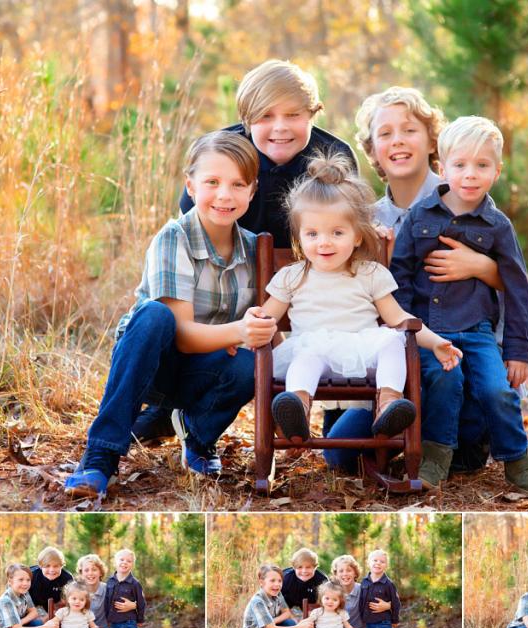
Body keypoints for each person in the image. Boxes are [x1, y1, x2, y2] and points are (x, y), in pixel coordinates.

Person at [134, 59, 358, 445]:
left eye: (293, 115)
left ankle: (337, 409)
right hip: (234, 280)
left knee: (344, 302)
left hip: (310, 276)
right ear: (246, 118)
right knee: (197, 309)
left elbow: (350, 221)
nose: (280, 127)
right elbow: (193, 233)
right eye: (266, 116)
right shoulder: (226, 152)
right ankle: (175, 403)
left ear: (313, 114)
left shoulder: (334, 153)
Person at [63, 131, 276, 496]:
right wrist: (238, 332)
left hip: (202, 374)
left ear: (252, 190)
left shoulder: (257, 250)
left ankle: (197, 436)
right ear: (190, 186)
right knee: (154, 316)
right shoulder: (173, 238)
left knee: (248, 364)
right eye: (212, 182)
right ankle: (101, 457)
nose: (225, 194)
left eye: (238, 184)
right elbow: (180, 333)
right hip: (150, 366)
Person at [324, 86, 505, 474]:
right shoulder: (364, 221)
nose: (398, 141)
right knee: (340, 457)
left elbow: (514, 281)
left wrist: (479, 266)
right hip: (396, 366)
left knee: (465, 455)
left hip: (458, 361)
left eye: (409, 130)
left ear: (432, 142)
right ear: (372, 151)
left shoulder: (465, 196)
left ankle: (450, 436)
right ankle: (399, 427)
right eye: (385, 134)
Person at [390, 115, 528, 494]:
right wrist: (408, 334)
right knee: (446, 380)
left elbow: (517, 288)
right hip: (430, 330)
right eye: (460, 164)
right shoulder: (419, 217)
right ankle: (435, 456)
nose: (470, 174)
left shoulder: (497, 225)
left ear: (497, 171)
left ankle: (516, 459)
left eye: (482, 165)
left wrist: (518, 352)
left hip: (478, 332)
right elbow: (399, 279)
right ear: (441, 167)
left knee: (498, 390)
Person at [259, 152, 461, 443]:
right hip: (315, 347)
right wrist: (239, 335)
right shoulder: (292, 276)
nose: (324, 242)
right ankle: (297, 411)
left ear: (356, 236)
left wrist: (436, 342)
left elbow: (399, 318)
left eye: (337, 232)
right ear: (299, 237)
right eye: (312, 234)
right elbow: (265, 318)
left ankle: (389, 404)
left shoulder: (370, 272)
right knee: (305, 357)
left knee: (394, 341)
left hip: (363, 350)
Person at [76, 553, 137, 628]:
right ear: (81, 573)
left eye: (94, 569)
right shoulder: (77, 590)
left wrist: (133, 605)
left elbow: (137, 598)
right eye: (86, 570)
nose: (90, 573)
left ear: (100, 572)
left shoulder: (108, 588)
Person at [331, 554, 391, 628]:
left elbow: (392, 599)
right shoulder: (333, 592)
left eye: (349, 570)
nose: (345, 574)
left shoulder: (363, 589)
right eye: (341, 571)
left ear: (355, 573)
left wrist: (388, 605)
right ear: (336, 574)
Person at [358, 549, 400, 628]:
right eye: (375, 560)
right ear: (368, 562)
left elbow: (396, 602)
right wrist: (361, 619)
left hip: (384, 623)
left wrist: (394, 620)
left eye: (382, 561)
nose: (378, 563)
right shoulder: (364, 582)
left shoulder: (388, 584)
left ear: (386, 565)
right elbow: (361, 602)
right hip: (369, 623)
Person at [105, 549, 146, 628]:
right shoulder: (110, 581)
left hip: (130, 622)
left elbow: (141, 603)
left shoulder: (135, 584)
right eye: (121, 559)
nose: (124, 563)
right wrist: (106, 619)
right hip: (114, 623)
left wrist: (140, 619)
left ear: (132, 564)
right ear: (115, 562)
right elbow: (106, 601)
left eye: (129, 561)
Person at [28, 546, 74, 615]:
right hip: (32, 610)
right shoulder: (31, 575)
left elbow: (71, 601)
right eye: (47, 566)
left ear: (61, 566)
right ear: (40, 566)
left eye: (56, 566)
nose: (52, 570)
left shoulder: (67, 579)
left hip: (57, 611)